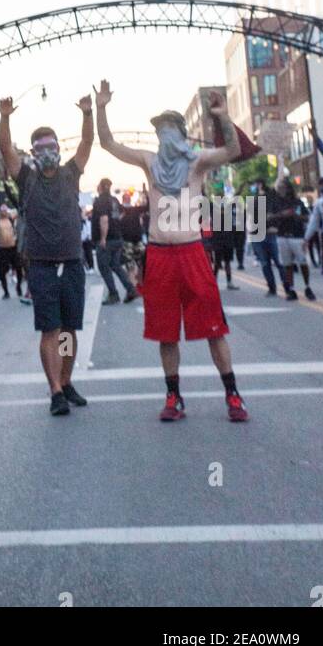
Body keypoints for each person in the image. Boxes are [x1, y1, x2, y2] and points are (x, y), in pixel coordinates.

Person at [95, 80, 249, 423]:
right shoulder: (150, 163)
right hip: (161, 255)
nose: (163, 135)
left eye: (168, 128)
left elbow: (233, 151)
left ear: (180, 132)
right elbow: (107, 143)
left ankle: (232, 394)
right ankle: (174, 397)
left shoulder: (197, 163)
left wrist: (222, 117)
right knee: (165, 332)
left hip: (191, 252)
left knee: (213, 329)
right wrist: (101, 107)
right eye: (158, 130)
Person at [0, 93, 92, 417]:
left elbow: (86, 143)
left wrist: (88, 112)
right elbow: (6, 152)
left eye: (51, 147)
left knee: (68, 329)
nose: (47, 153)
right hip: (41, 265)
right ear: (34, 152)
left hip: (71, 262)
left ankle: (66, 382)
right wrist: (6, 117)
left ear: (58, 149)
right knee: (50, 330)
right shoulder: (27, 178)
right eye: (40, 148)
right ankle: (54, 390)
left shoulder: (71, 173)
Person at [92, 179, 136, 305]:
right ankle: (131, 289)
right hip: (117, 237)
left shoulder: (100, 200)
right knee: (116, 265)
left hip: (108, 240)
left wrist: (103, 238)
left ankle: (113, 294)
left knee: (104, 267)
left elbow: (104, 219)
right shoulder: (114, 200)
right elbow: (122, 212)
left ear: (100, 187)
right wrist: (115, 222)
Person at [272, 176, 315, 301]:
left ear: (289, 188)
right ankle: (291, 290)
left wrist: (296, 215)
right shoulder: (276, 203)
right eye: (279, 187)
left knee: (303, 262)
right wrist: (281, 215)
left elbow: (307, 218)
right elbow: (269, 217)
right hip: (282, 236)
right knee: (288, 264)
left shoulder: (297, 202)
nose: (281, 189)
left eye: (283, 187)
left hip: (297, 236)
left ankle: (307, 287)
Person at [251, 179, 283, 297]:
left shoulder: (271, 199)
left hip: (270, 234)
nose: (256, 187)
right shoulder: (254, 200)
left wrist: (276, 227)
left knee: (279, 262)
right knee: (265, 263)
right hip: (258, 234)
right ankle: (272, 288)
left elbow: (278, 215)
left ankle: (287, 286)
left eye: (257, 184)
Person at [0, 203, 22, 299]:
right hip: (2, 250)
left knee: (19, 269)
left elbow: (19, 212)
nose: (4, 212)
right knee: (2, 272)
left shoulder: (11, 218)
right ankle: (6, 292)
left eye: (5, 210)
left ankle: (18, 287)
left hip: (12, 248)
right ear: (0, 212)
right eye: (2, 210)